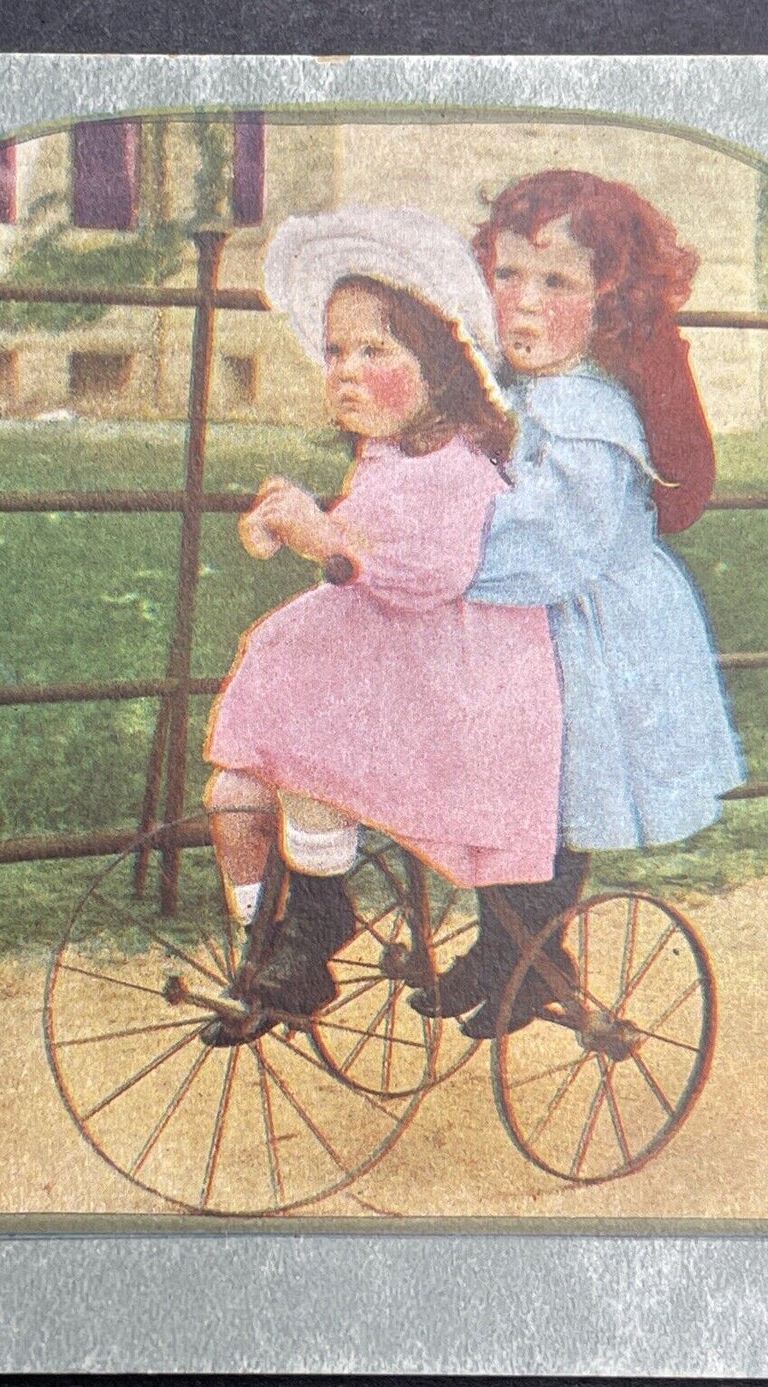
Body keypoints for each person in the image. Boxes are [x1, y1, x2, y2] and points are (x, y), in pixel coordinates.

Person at [202, 206, 563, 1045]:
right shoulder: (388, 459)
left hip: (452, 694)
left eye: (375, 350)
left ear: (438, 366)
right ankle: (270, 943)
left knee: (315, 759)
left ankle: (318, 924)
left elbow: (419, 575)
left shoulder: (459, 468)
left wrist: (322, 537)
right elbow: (357, 546)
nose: (346, 372)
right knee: (233, 792)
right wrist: (296, 525)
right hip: (384, 674)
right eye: (335, 352)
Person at [410, 169, 747, 1038]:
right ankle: (506, 944)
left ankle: (533, 951)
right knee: (502, 781)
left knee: (554, 790)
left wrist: (435, 561)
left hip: (587, 627)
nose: (522, 303)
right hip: (518, 620)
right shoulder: (510, 394)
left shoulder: (589, 414)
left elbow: (550, 545)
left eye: (555, 282)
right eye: (506, 276)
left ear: (608, 299)